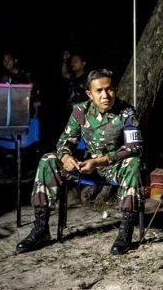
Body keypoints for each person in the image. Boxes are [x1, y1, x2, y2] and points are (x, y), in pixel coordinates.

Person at [16, 69, 143, 255]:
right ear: (89, 94)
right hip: (86, 165)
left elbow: (134, 146)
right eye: (99, 91)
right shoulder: (81, 111)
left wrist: (99, 161)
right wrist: (66, 157)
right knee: (48, 160)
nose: (105, 95)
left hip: (113, 165)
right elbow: (64, 141)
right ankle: (41, 228)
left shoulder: (127, 112)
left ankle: (126, 231)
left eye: (109, 89)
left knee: (133, 163)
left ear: (115, 89)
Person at [0, 53, 41, 117]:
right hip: (8, 112)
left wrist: (36, 112)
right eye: (5, 61)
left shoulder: (26, 76)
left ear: (15, 60)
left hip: (25, 111)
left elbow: (35, 92)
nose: (7, 62)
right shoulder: (1, 77)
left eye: (9, 60)